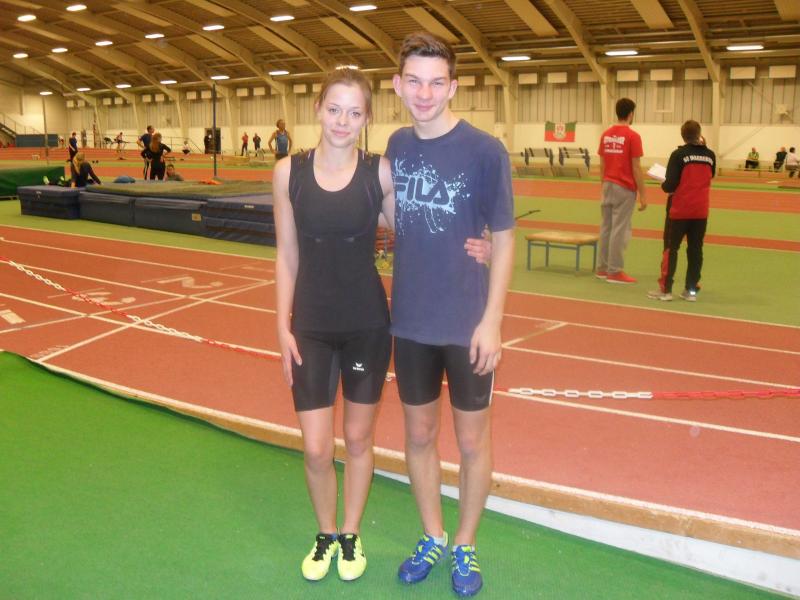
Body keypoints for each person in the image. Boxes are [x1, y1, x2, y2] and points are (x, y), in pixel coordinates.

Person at [274, 67, 491, 586]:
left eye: (354, 112)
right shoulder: (288, 173)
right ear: (318, 109)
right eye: (334, 109)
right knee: (316, 448)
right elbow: (286, 255)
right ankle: (325, 532)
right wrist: (282, 326)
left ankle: (350, 533)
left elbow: (416, 227)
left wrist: (480, 239)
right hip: (310, 326)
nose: (342, 121)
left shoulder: (381, 173)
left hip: (367, 325)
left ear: (367, 118)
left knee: (357, 438)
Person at [387, 32, 515, 597]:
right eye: (414, 81)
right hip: (410, 321)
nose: (425, 93)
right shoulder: (395, 145)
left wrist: (492, 321)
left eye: (436, 82)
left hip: (467, 324)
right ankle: (433, 535)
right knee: (418, 435)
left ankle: (465, 541)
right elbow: (392, 214)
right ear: (397, 85)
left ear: (453, 87)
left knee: (470, 441)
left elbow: (504, 238)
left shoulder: (485, 151)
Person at [647, 120, 715, 303]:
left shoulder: (678, 155)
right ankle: (691, 290)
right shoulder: (710, 155)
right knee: (695, 249)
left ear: (683, 136)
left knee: (671, 248)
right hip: (701, 211)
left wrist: (663, 183)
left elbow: (670, 184)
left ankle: (666, 290)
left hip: (679, 210)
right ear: (699, 134)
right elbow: (711, 176)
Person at [596, 98, 647, 284]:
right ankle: (615, 271)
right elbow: (636, 167)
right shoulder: (633, 136)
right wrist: (643, 194)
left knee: (606, 227)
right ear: (631, 114)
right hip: (624, 187)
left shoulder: (606, 135)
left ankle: (602, 268)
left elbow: (602, 163)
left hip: (608, 184)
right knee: (620, 228)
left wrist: (604, 185)